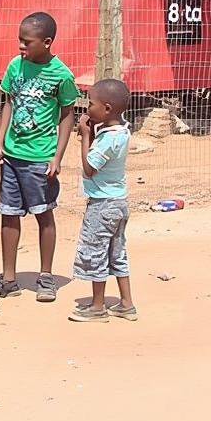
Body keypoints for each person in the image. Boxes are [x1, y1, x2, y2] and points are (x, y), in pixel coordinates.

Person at [0, 11, 79, 303]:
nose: (21, 47)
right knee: (9, 214)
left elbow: (67, 115)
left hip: (40, 158)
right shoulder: (16, 66)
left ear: (47, 42)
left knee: (44, 215)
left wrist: (57, 156)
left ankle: (45, 276)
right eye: (20, 41)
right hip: (12, 157)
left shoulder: (61, 75)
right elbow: (9, 104)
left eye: (27, 42)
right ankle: (9, 277)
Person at [69, 79, 137, 322]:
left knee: (95, 251)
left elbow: (90, 169)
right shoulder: (122, 130)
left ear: (107, 109)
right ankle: (126, 303)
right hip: (118, 203)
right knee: (117, 252)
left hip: (102, 206)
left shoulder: (107, 139)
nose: (87, 109)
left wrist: (86, 135)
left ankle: (98, 306)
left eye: (91, 104)